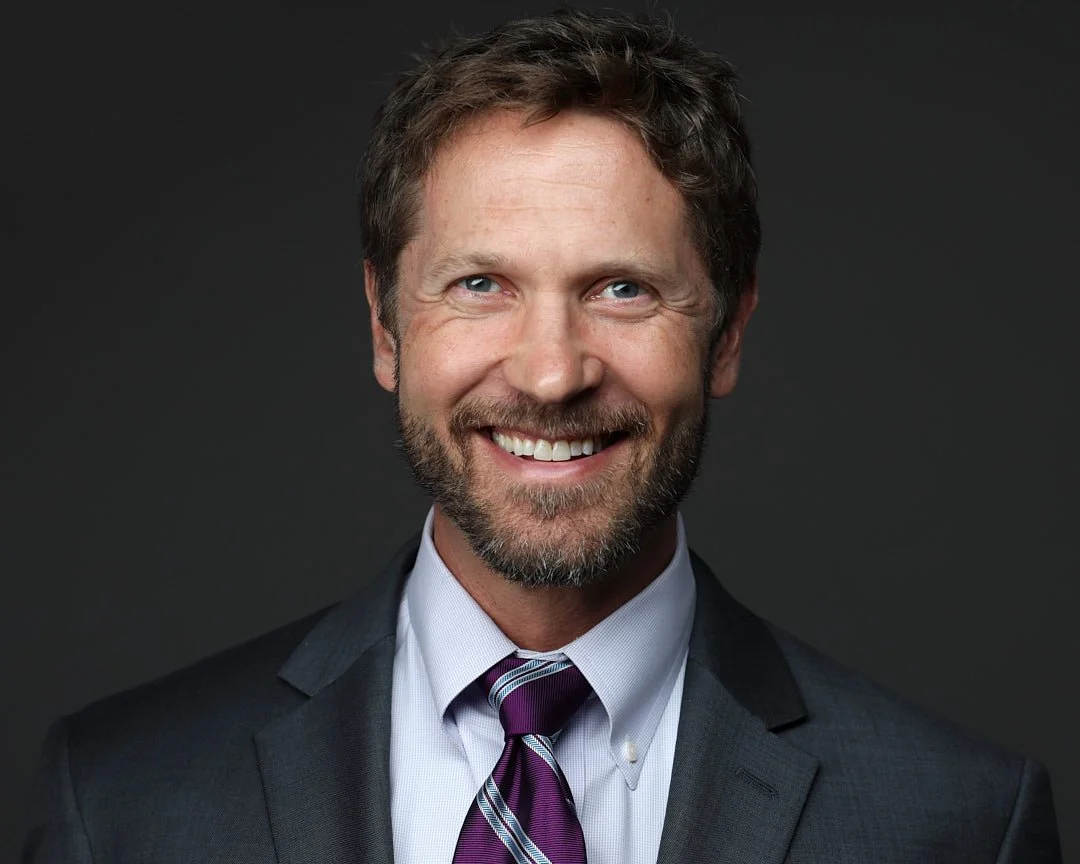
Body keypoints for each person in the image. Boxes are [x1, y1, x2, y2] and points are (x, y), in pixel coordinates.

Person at [26, 9, 1061, 863]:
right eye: (481, 286)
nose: (551, 372)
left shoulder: (960, 823)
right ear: (387, 327)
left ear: (728, 333)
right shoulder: (119, 801)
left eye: (622, 288)